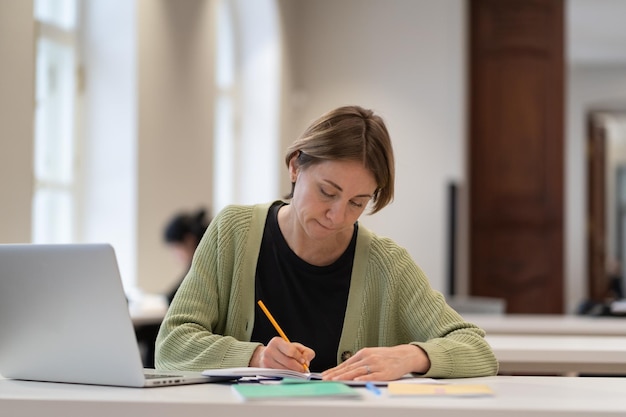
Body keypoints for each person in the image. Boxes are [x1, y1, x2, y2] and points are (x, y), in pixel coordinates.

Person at [155, 105, 498, 381]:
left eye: (357, 203)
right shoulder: (232, 232)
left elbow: (477, 349)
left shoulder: (387, 265)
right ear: (295, 166)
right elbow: (171, 345)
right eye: (327, 192)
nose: (337, 216)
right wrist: (255, 356)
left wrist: (410, 355)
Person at [163, 208, 211, 303]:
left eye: (176, 248)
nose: (175, 255)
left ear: (190, 240)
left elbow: (174, 298)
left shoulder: (203, 265)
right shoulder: (200, 261)